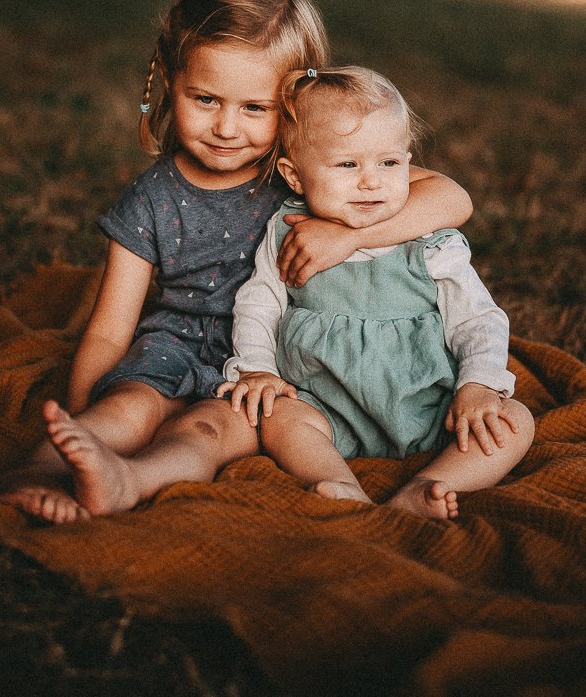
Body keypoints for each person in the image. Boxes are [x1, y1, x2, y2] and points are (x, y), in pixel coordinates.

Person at [0, 0, 475, 523]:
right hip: (172, 349)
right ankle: (40, 470)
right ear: (170, 82)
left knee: (205, 432)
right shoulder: (152, 200)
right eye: (204, 98)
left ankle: (127, 481)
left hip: (267, 367)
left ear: (294, 105)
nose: (226, 127)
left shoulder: (309, 174)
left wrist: (350, 233)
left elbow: (451, 199)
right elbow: (109, 329)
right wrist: (82, 411)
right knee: (128, 410)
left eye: (255, 108)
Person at [219, 66, 533, 521]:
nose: (371, 181)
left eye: (388, 163)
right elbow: (259, 304)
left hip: (430, 406)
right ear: (294, 176)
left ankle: (433, 483)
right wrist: (256, 371)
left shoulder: (430, 240)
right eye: (348, 164)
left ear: (407, 163)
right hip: (326, 404)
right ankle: (340, 483)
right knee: (278, 419)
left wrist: (478, 387)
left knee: (513, 421)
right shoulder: (288, 232)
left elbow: (477, 319)